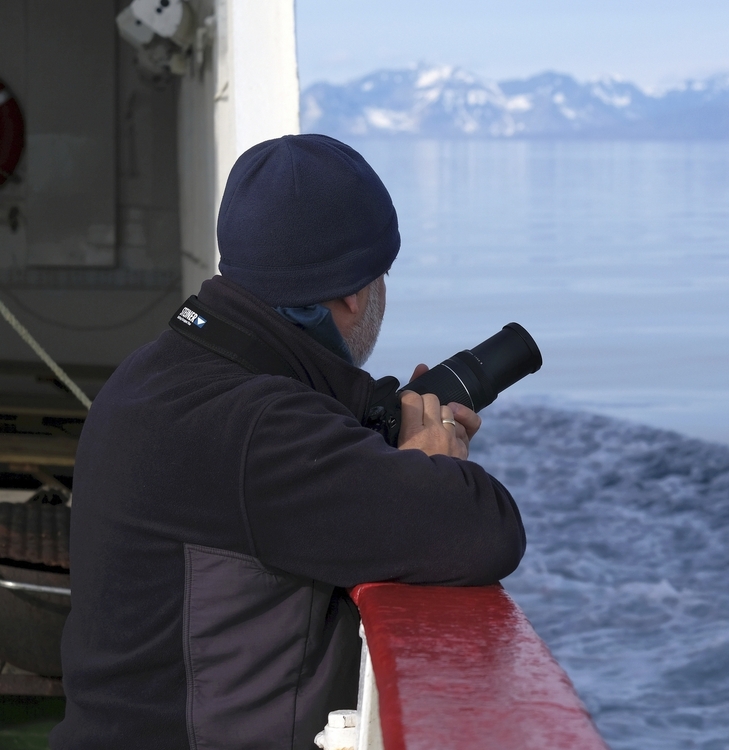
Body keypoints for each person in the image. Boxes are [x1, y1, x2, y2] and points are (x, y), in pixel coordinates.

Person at [51, 135, 526, 749]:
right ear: (356, 294)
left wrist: (375, 418)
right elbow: (483, 530)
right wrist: (431, 461)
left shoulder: (158, 372)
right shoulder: (257, 430)